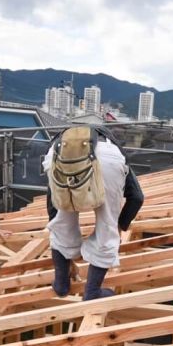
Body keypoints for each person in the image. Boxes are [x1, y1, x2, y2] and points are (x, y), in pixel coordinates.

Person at [45, 127, 144, 300]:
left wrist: (65, 258)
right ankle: (92, 292)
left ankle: (61, 284)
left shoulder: (63, 144)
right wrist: (119, 226)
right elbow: (137, 198)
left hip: (59, 153)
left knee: (62, 221)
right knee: (107, 228)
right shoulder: (112, 150)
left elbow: (53, 206)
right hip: (108, 162)